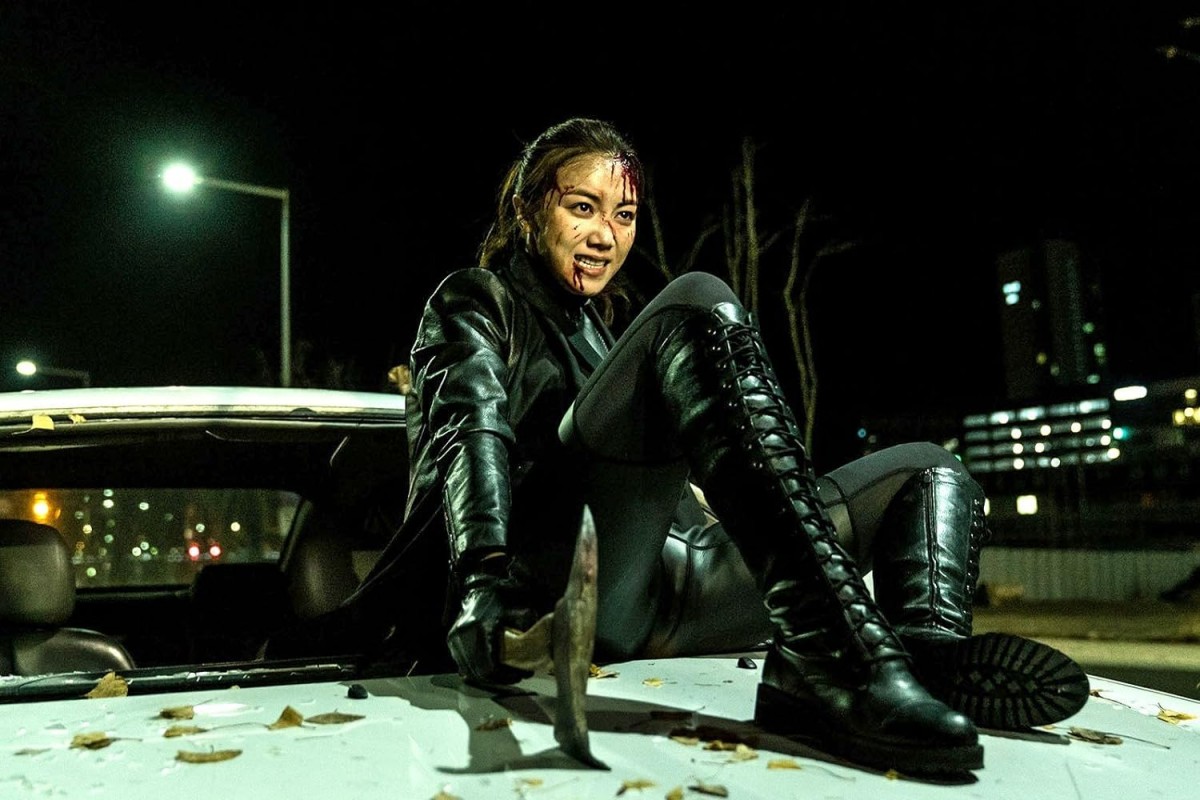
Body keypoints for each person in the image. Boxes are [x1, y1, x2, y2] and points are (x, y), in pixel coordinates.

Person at [336, 117, 1089, 775]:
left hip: (670, 592)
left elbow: (690, 475)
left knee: (930, 470)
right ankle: (840, 652)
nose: (607, 235)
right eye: (582, 207)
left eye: (625, 215)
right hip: (554, 589)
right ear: (530, 209)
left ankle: (916, 655)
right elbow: (472, 434)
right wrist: (481, 577)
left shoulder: (604, 335)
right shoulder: (477, 299)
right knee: (697, 298)